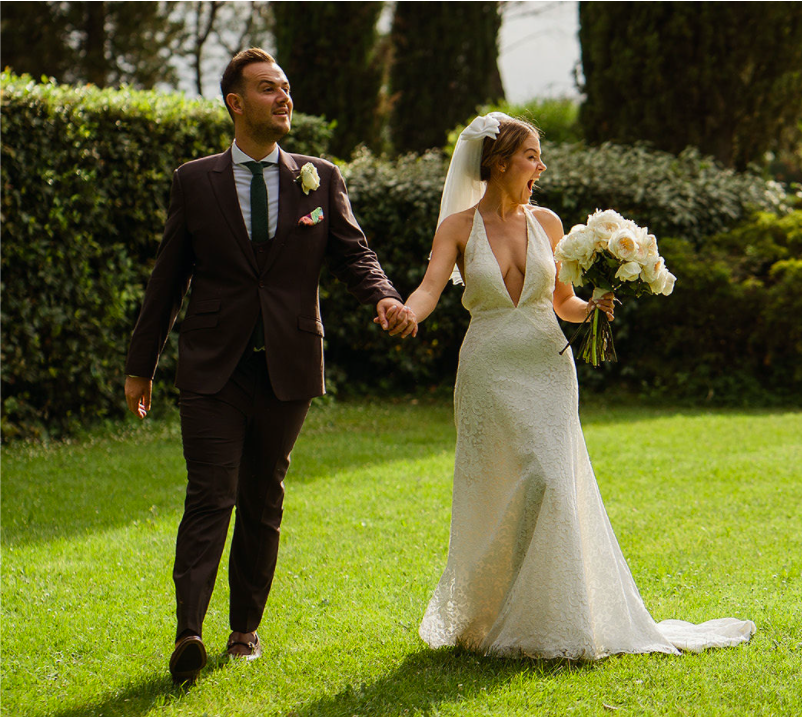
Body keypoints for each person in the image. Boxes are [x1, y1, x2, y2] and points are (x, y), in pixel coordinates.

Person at [401, 113, 755, 660]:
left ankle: (551, 618)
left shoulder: (548, 223)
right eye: (532, 156)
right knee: (503, 489)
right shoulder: (456, 228)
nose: (541, 166)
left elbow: (561, 302)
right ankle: (494, 614)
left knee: (548, 481)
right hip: (488, 372)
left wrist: (593, 305)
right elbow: (428, 290)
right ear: (499, 163)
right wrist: (406, 312)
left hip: (547, 366)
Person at [123, 48, 416, 683]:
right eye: (266, 89)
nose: (283, 98)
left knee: (263, 497)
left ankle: (244, 631)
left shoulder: (319, 177)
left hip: (287, 365)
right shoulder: (194, 181)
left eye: (285, 87)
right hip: (212, 367)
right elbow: (167, 280)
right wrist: (139, 365)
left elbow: (354, 253)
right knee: (211, 494)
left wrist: (386, 297)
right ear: (235, 102)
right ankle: (189, 633)